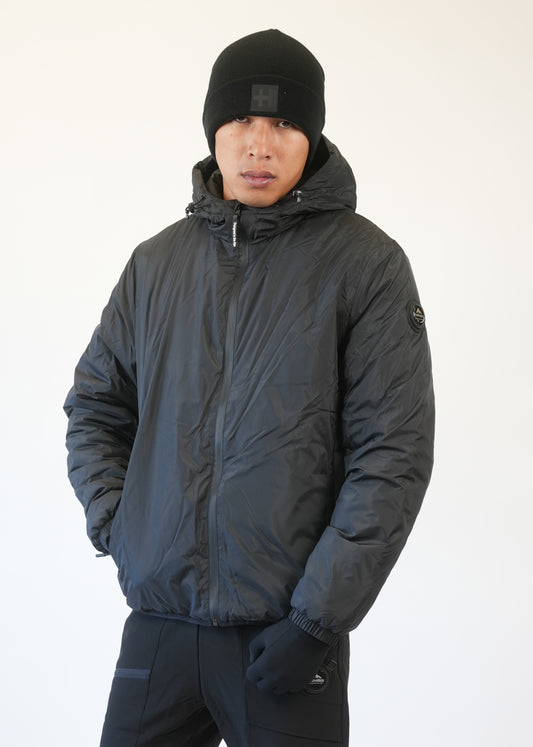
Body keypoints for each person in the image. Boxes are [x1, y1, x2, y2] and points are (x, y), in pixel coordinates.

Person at [64, 29, 434, 747]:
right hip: (160, 627)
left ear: (312, 136)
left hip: (285, 634)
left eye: (284, 122)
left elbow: (391, 453)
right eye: (240, 119)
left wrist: (315, 621)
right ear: (213, 129)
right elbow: (96, 406)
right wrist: (121, 525)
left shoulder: (366, 265)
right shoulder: (155, 265)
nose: (259, 145)